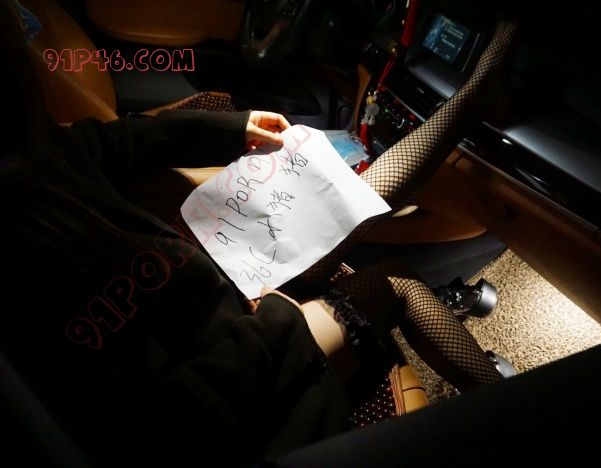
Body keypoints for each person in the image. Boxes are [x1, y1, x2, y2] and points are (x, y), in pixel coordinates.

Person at [1, 1, 512, 466]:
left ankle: (476, 92)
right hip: (245, 392)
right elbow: (163, 425)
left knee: (351, 199)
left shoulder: (31, 159)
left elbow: (111, 142)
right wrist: (275, 319)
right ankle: (518, 416)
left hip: (222, 294)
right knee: (394, 282)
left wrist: (235, 128)